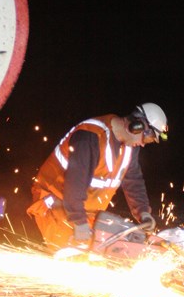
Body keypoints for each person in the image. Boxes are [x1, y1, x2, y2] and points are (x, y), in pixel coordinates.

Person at [27, 103, 168, 253]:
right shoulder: (90, 137)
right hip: (54, 204)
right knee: (74, 255)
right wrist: (79, 221)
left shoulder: (130, 148)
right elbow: (75, 183)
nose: (143, 144)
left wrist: (143, 212)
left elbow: (133, 181)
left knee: (108, 252)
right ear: (137, 126)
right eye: (147, 139)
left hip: (85, 210)